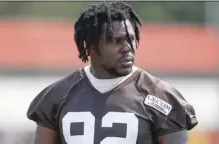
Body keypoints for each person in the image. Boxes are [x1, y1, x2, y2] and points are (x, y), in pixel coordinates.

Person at [27, 1, 198, 144]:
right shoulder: (58, 96)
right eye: (116, 41)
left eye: (131, 39)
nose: (127, 48)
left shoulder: (160, 97)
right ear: (91, 45)